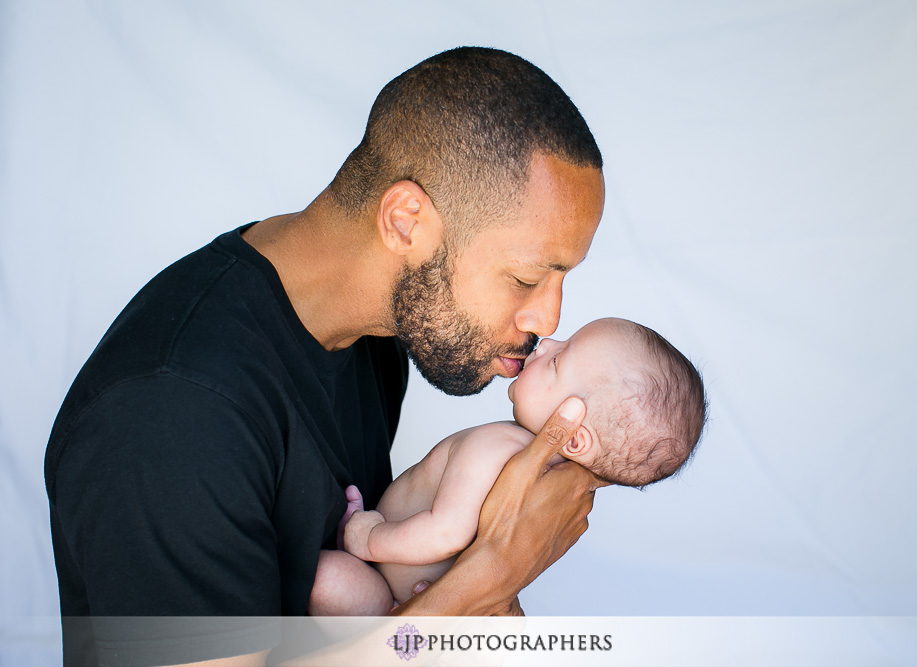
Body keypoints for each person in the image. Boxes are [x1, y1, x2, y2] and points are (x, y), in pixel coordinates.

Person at [44, 46, 606, 667]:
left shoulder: (376, 332)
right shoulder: (169, 414)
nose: (548, 319)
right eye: (526, 278)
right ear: (406, 222)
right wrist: (489, 575)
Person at [308, 318, 708, 614]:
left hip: (391, 598)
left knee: (325, 577)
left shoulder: (496, 447)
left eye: (558, 360)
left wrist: (368, 537)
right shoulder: (548, 486)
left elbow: (446, 532)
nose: (546, 341)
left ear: (573, 435)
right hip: (435, 610)